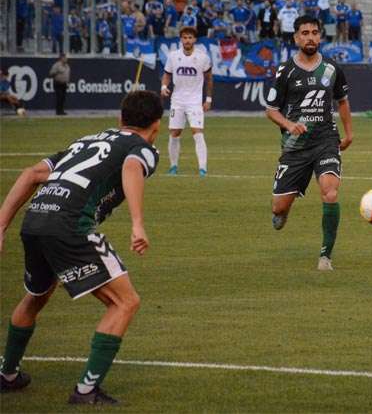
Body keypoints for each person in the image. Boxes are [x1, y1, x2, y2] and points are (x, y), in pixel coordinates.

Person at [0, 90, 163, 404]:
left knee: (36, 295)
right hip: (69, 225)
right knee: (125, 302)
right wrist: (138, 223)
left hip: (35, 220)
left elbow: (31, 174)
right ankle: (86, 391)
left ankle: (7, 375)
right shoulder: (141, 147)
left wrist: (2, 225)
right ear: (157, 125)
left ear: (120, 118)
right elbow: (131, 167)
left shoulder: (85, 141)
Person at [266, 15, 353, 271]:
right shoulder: (285, 71)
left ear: (320, 36)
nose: (310, 37)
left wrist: (349, 133)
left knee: (330, 191)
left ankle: (325, 256)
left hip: (326, 140)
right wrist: (289, 124)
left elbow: (343, 102)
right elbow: (271, 110)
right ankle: (284, 209)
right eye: (305, 33)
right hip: (295, 146)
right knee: (279, 207)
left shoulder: (332, 68)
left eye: (315, 32)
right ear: (296, 37)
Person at [161, 26, 213, 177]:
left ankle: (202, 169)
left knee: (197, 133)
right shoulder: (173, 56)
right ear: (181, 39)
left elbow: (209, 79)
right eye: (185, 37)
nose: (187, 40)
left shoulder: (203, 57)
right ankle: (173, 167)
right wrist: (164, 86)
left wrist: (208, 99)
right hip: (177, 101)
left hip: (195, 101)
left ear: (195, 40)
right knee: (174, 133)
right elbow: (167, 74)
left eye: (190, 37)